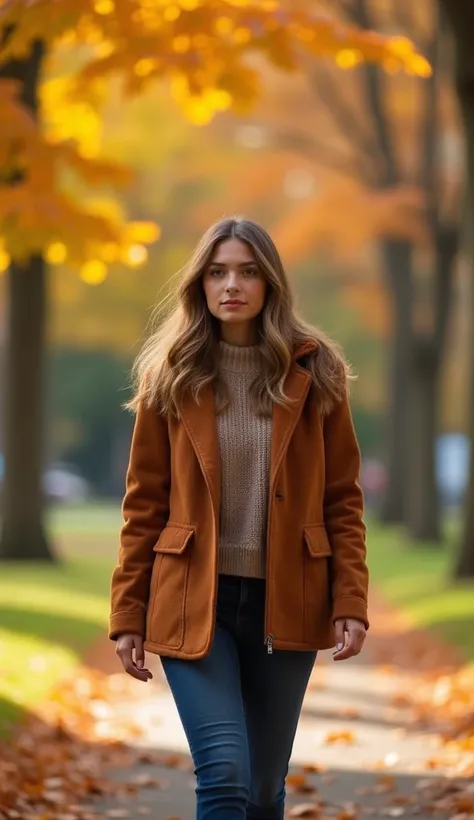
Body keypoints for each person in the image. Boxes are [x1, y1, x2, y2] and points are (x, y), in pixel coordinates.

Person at [109, 216, 369, 820]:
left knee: (261, 791)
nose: (232, 285)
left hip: (289, 598)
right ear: (199, 284)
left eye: (249, 272)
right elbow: (143, 503)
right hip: (192, 598)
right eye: (218, 272)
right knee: (224, 772)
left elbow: (342, 501)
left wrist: (350, 600)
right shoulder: (169, 375)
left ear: (270, 284)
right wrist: (128, 611)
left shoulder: (317, 372)